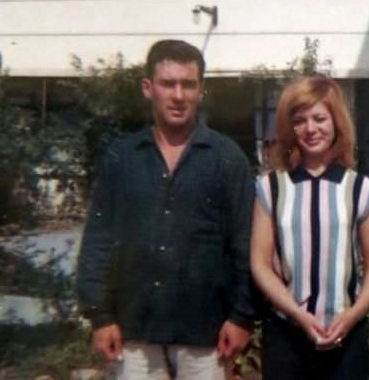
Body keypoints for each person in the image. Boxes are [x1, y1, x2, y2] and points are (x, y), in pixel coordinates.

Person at [76, 39, 255, 380]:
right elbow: (98, 241)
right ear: (148, 88)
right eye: (167, 84)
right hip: (133, 329)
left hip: (207, 333)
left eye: (188, 85)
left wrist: (242, 317)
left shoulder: (227, 158)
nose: (178, 95)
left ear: (201, 90)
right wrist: (100, 316)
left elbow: (245, 245)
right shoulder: (122, 157)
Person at [251, 76, 369, 380]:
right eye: (299, 120)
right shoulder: (270, 188)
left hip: (346, 334)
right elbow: (260, 263)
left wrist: (351, 317)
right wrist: (298, 314)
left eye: (319, 118)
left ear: (336, 121)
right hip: (286, 333)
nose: (310, 129)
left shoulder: (360, 189)